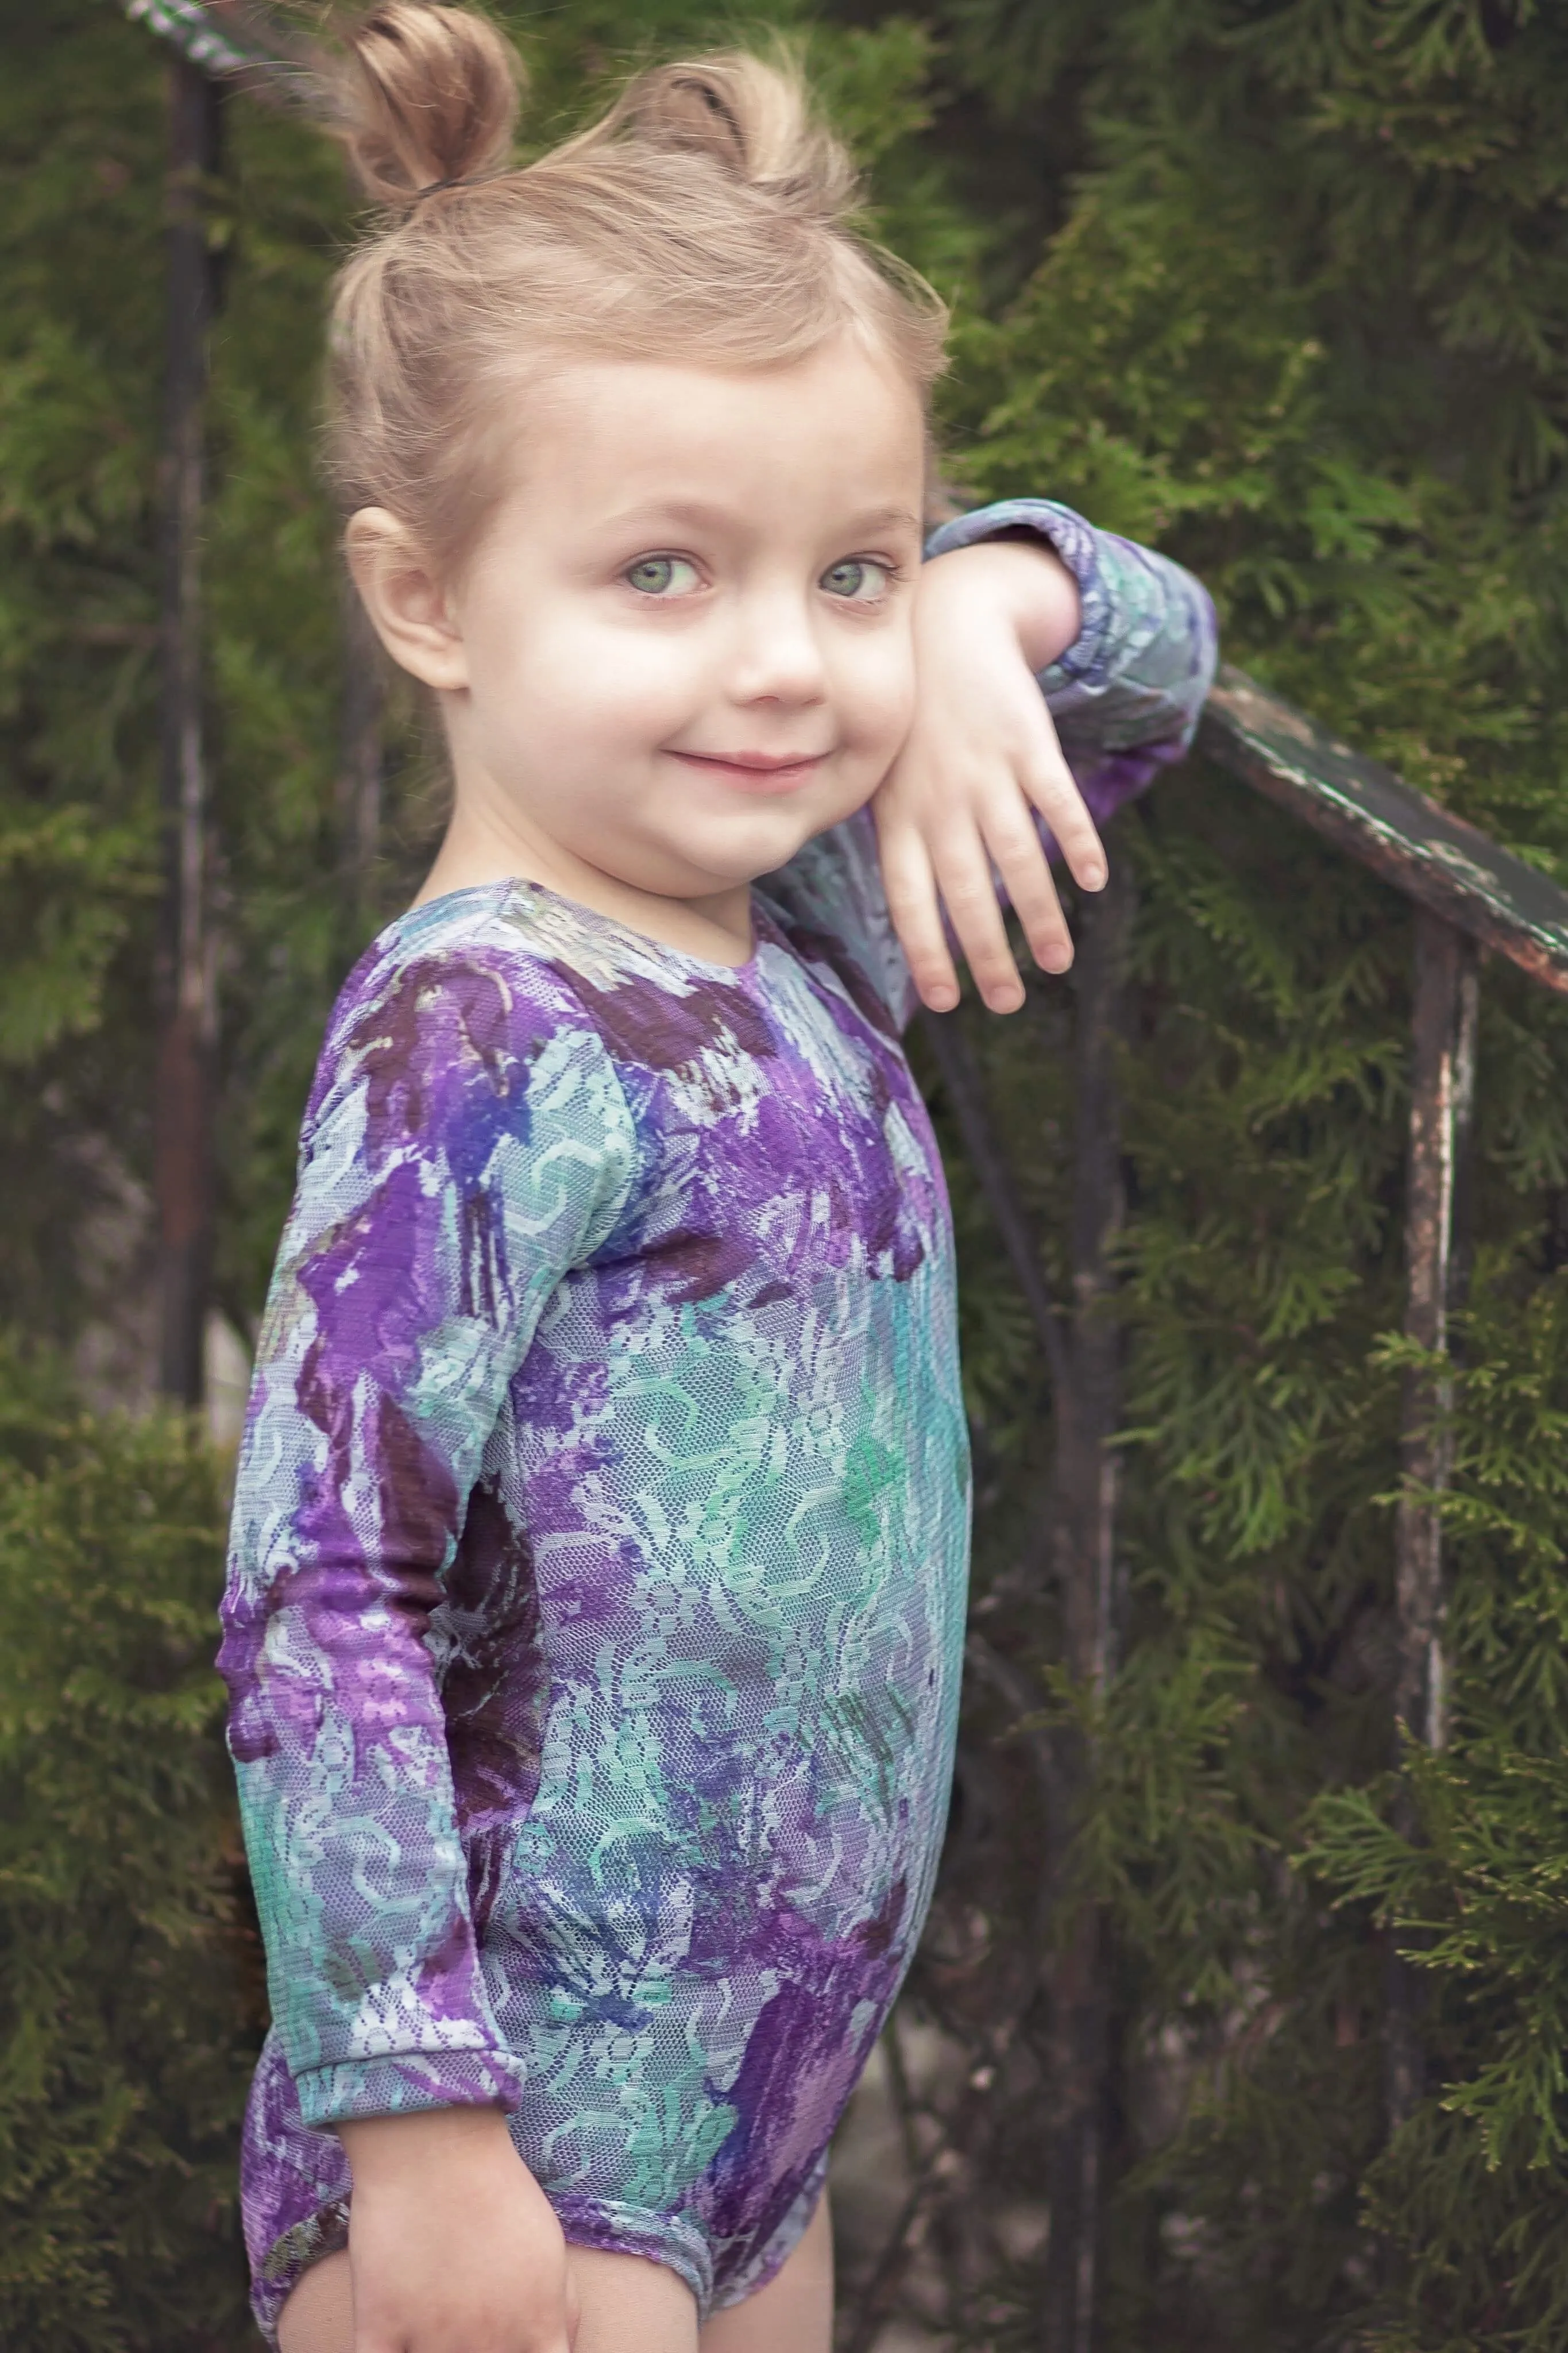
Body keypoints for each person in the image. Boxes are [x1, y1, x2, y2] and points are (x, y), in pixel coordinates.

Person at [217, 7, 1216, 2350]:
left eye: (839, 572)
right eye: (664, 573)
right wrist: (418, 2127)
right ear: (428, 602)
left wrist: (986, 597)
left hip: (749, 2114)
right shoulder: (483, 1028)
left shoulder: (798, 935)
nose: (784, 664)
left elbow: (1156, 670)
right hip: (524, 2117)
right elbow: (320, 1593)